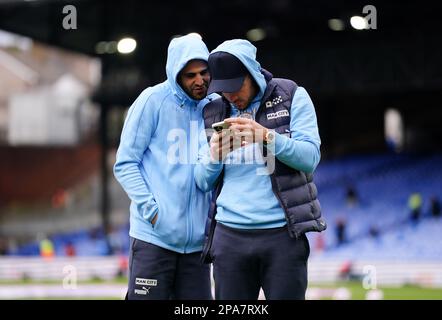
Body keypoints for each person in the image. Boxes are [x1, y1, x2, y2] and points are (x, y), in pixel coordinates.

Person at [194, 39, 326, 300]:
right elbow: (201, 180)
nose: (230, 96)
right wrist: (215, 156)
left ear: (252, 73)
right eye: (223, 89)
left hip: (283, 237)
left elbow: (310, 157)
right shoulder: (212, 111)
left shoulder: (292, 95)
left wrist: (266, 137)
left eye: (235, 87)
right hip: (229, 238)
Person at [114, 34, 215, 300]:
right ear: (176, 75)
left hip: (197, 249)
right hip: (153, 240)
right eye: (190, 75)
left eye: (204, 72)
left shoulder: (215, 107)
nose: (199, 80)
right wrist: (153, 213)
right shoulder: (152, 101)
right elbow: (125, 163)